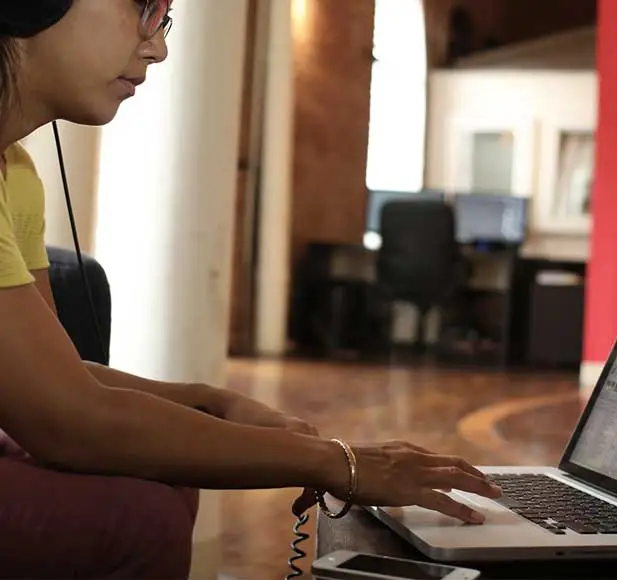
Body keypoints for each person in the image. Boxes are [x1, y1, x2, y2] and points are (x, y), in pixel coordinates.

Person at [0, 1, 502, 578]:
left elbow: (52, 381)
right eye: (144, 9)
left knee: (166, 478)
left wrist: (212, 402)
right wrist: (336, 462)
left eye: (164, 20)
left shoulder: (17, 173)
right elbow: (69, 421)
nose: (158, 48)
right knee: (139, 518)